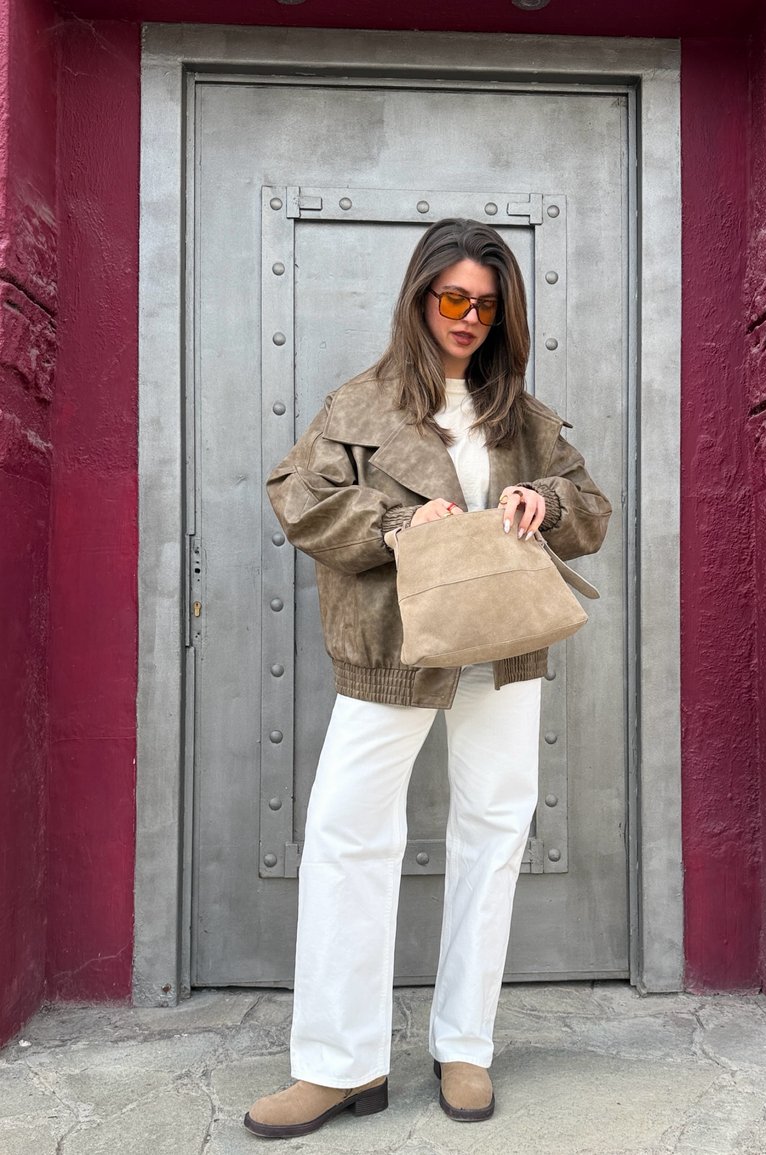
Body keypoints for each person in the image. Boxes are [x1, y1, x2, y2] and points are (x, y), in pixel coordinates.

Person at [244, 218, 611, 1139]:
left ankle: (465, 1044)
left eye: (487, 304)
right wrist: (398, 524)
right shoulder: (360, 404)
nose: (469, 317)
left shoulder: (521, 416)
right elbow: (301, 498)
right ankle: (339, 1063)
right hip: (390, 642)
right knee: (346, 832)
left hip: (503, 640)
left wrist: (544, 498)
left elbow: (589, 504)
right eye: (453, 297)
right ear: (418, 297)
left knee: (492, 830)